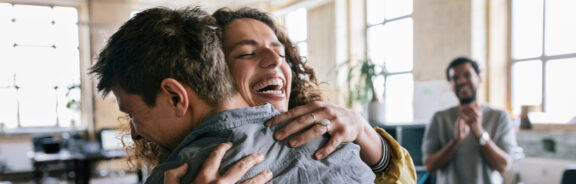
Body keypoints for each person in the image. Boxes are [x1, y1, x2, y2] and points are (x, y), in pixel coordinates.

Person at [91, 7, 375, 184]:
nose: (134, 132)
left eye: (132, 114)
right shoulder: (339, 149)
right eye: (247, 53)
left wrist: (364, 131)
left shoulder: (173, 176)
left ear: (176, 96)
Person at [421, 57, 518, 184]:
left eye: (467, 75)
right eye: (455, 78)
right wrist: (455, 142)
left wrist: (480, 134)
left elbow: (503, 166)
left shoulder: (500, 117)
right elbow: (429, 166)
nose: (461, 81)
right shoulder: (439, 118)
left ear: (479, 78)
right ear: (451, 85)